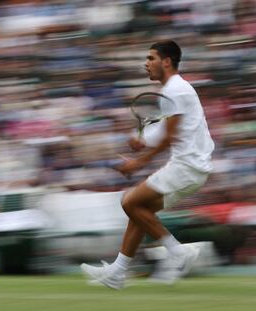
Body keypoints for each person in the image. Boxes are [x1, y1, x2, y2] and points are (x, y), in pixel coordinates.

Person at [81, 40, 215, 289]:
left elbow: (170, 137)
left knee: (129, 202)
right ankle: (117, 273)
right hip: (192, 168)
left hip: (186, 166)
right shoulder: (174, 91)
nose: (146, 63)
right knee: (140, 211)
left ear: (166, 61)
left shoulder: (176, 90)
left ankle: (178, 252)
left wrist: (137, 164)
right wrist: (142, 139)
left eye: (151, 58)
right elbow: (169, 130)